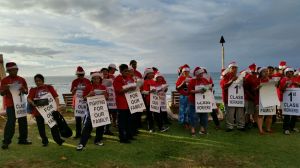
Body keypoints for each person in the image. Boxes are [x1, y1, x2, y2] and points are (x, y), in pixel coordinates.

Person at [1, 62, 31, 150]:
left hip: (20, 104)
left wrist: (23, 89)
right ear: (8, 71)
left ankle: (23, 139)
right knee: (10, 123)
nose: (13, 72)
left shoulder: (22, 79)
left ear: (17, 70)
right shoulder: (4, 80)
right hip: (10, 105)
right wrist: (5, 89)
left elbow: (26, 92)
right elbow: (1, 94)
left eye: (14, 70)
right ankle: (6, 142)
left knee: (23, 122)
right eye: (10, 71)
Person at [27, 74, 65, 146]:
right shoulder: (33, 89)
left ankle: (58, 140)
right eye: (36, 81)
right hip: (38, 112)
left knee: (53, 125)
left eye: (39, 81)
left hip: (50, 110)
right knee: (41, 128)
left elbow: (56, 97)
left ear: (43, 80)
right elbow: (28, 98)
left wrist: (57, 106)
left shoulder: (49, 87)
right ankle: (45, 141)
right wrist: (32, 103)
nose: (38, 82)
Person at [76, 72, 108, 151]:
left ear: (100, 79)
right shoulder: (88, 87)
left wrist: (105, 95)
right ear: (92, 79)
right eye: (95, 78)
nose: (96, 80)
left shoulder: (103, 87)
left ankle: (98, 140)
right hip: (91, 109)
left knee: (101, 124)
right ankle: (81, 144)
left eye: (98, 78)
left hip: (101, 108)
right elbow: (84, 98)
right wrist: (89, 94)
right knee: (88, 126)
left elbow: (107, 98)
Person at [113, 64, 136, 143]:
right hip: (121, 104)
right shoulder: (117, 79)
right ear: (120, 71)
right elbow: (119, 91)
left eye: (128, 71)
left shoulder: (130, 78)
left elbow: (134, 88)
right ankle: (122, 138)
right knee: (122, 122)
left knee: (129, 121)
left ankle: (129, 135)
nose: (127, 72)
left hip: (130, 103)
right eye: (125, 71)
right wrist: (129, 88)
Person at [220, 62, 245, 132]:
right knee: (230, 113)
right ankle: (230, 126)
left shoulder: (239, 76)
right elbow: (223, 86)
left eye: (236, 68)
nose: (234, 69)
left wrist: (244, 81)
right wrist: (232, 80)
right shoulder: (225, 76)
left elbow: (243, 86)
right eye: (233, 68)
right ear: (229, 69)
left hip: (238, 98)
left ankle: (241, 125)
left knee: (240, 112)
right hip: (228, 98)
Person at [142, 68, 168, 132]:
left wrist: (162, 89)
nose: (152, 74)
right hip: (148, 101)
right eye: (151, 73)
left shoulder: (153, 81)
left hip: (155, 100)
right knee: (149, 115)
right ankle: (151, 128)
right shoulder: (145, 82)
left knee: (158, 114)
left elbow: (156, 90)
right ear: (147, 74)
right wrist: (150, 91)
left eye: (153, 73)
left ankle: (161, 127)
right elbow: (143, 91)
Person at [188, 67, 211, 136]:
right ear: (196, 74)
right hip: (193, 101)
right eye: (200, 74)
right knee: (194, 116)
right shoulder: (192, 81)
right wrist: (198, 91)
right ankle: (192, 128)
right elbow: (189, 91)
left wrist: (209, 87)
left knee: (204, 115)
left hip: (203, 101)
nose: (201, 75)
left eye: (202, 73)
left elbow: (209, 87)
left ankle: (202, 128)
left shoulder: (205, 80)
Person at [70, 66, 92, 139]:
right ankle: (78, 134)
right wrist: (75, 89)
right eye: (79, 75)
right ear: (77, 75)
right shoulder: (74, 81)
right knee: (78, 119)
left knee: (86, 119)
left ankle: (87, 133)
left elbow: (90, 91)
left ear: (84, 74)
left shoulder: (88, 81)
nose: (80, 76)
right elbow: (72, 93)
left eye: (82, 75)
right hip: (77, 103)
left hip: (86, 102)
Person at [278, 67, 299, 135]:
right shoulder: (283, 79)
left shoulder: (294, 79)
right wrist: (286, 84)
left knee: (294, 113)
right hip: (286, 99)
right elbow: (282, 89)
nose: (290, 73)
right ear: (286, 73)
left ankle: (292, 127)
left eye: (291, 72)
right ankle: (286, 128)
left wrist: (297, 84)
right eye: (289, 72)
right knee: (287, 114)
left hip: (294, 99)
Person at [256, 68, 274, 135]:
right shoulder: (258, 80)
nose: (266, 73)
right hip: (261, 99)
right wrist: (258, 88)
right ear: (261, 73)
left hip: (270, 99)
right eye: (265, 71)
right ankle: (260, 130)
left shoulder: (271, 80)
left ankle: (268, 128)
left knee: (270, 114)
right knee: (261, 114)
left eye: (267, 71)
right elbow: (253, 90)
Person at [176, 64, 192, 129]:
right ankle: (185, 123)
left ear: (189, 72)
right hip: (183, 97)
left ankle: (190, 122)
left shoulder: (191, 78)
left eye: (187, 71)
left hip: (190, 96)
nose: (186, 72)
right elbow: (177, 88)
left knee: (190, 110)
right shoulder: (180, 78)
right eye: (184, 71)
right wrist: (183, 83)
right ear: (182, 72)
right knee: (183, 110)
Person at [244, 64, 259, 129]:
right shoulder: (248, 77)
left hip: (255, 97)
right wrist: (252, 95)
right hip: (249, 97)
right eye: (254, 72)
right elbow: (246, 89)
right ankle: (246, 123)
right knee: (248, 112)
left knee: (255, 111)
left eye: (255, 72)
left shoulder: (256, 77)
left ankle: (254, 122)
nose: (255, 73)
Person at [101, 68, 115, 135]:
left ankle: (107, 129)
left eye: (106, 72)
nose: (105, 73)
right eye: (103, 72)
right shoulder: (99, 81)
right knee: (104, 115)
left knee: (108, 115)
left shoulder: (111, 80)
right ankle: (103, 129)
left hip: (110, 102)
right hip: (102, 101)